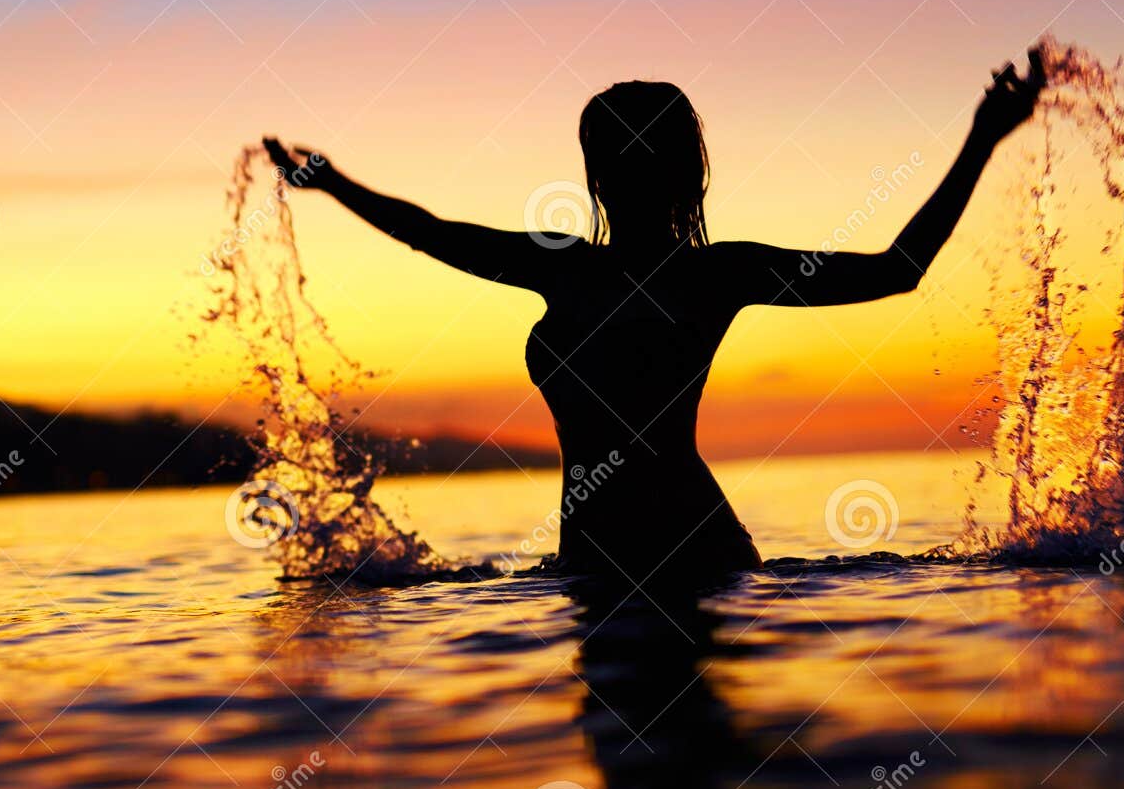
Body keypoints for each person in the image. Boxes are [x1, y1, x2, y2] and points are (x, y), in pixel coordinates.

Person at [264, 48, 1046, 580]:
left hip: (688, 555)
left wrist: (982, 139)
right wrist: (333, 183)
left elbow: (894, 271)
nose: (621, 175)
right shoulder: (572, 261)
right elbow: (431, 233)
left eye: (631, 157)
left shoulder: (705, 271)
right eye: (614, 158)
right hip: (598, 563)